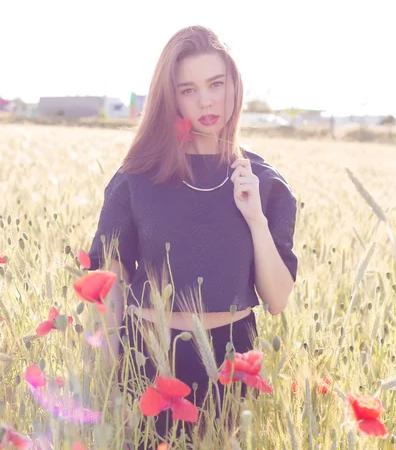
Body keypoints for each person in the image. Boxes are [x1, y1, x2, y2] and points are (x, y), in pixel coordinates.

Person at [87, 25, 298, 447]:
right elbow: (109, 284)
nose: (206, 100)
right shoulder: (137, 179)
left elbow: (276, 300)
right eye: (188, 89)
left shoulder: (265, 182)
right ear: (171, 97)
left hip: (231, 362)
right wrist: (105, 378)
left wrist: (254, 217)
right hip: (147, 359)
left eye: (216, 84)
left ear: (234, 85)